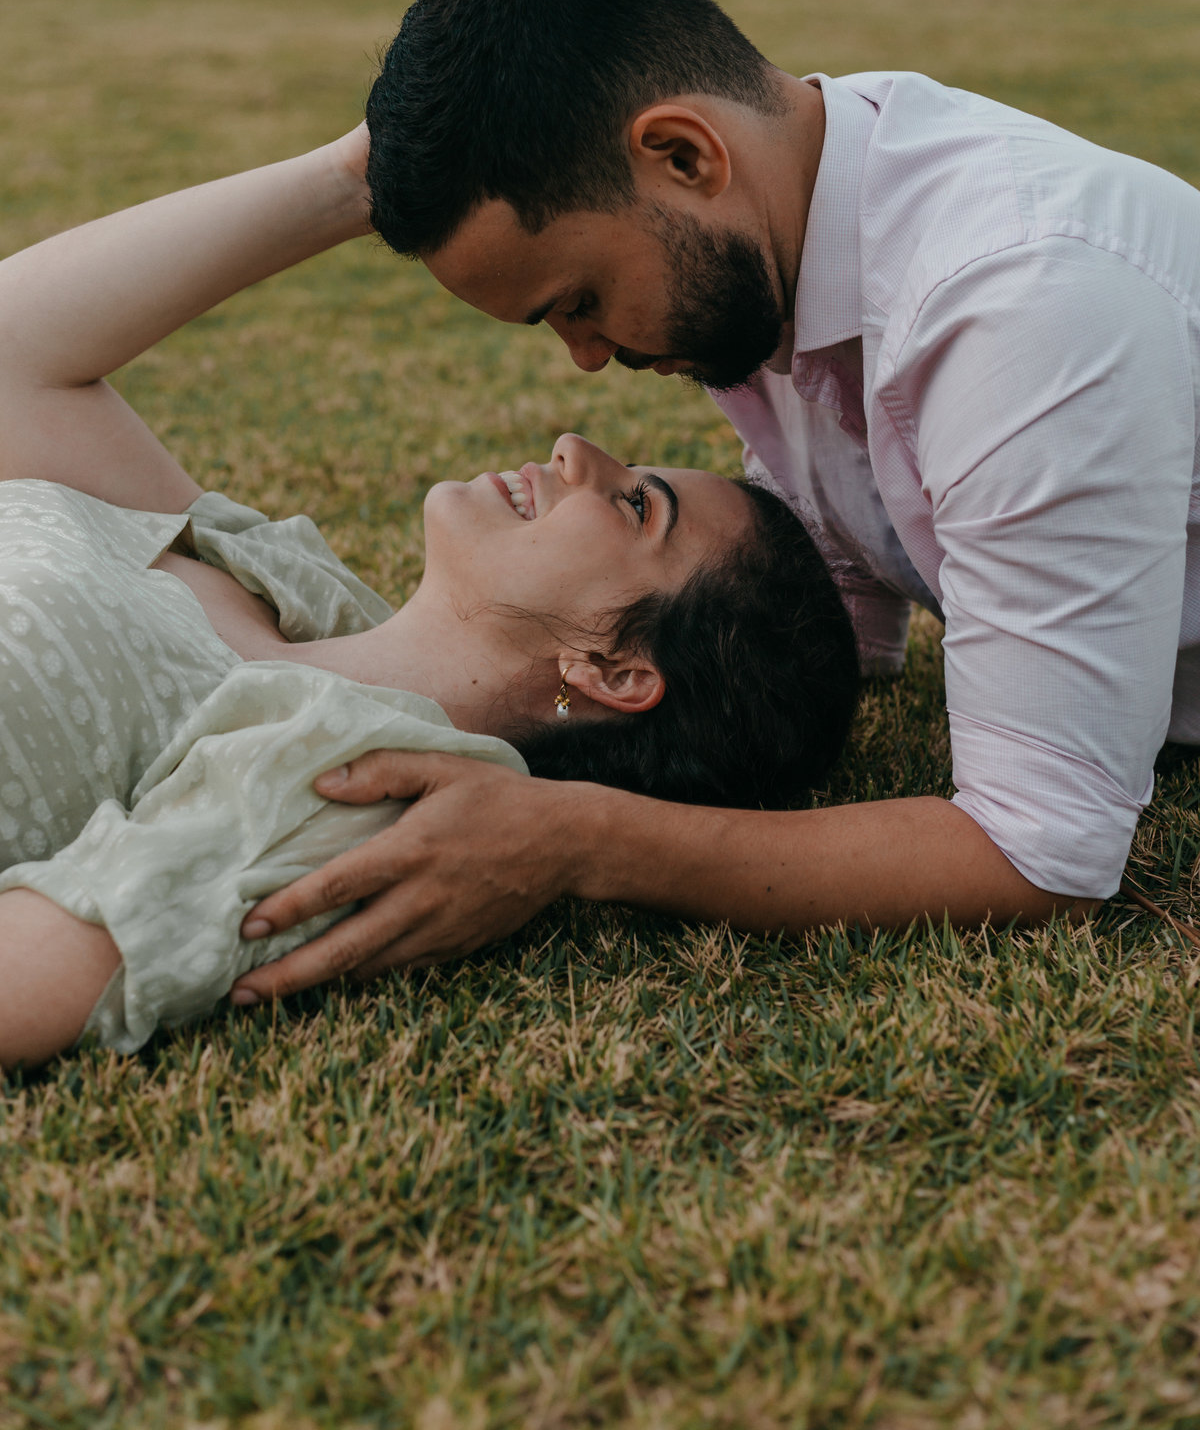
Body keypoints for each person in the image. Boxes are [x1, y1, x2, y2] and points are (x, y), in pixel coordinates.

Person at [227, 0, 1200, 1008]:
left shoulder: (1021, 306)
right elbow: (835, 621)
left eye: (582, 303)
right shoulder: (776, 215)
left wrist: (578, 836)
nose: (589, 362)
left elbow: (1043, 854)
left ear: (686, 155)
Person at [0, 124, 859, 1070]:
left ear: (611, 670)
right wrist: (362, 179)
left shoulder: (355, 795)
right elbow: (15, 356)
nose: (577, 449)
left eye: (635, 504)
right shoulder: (291, 593)